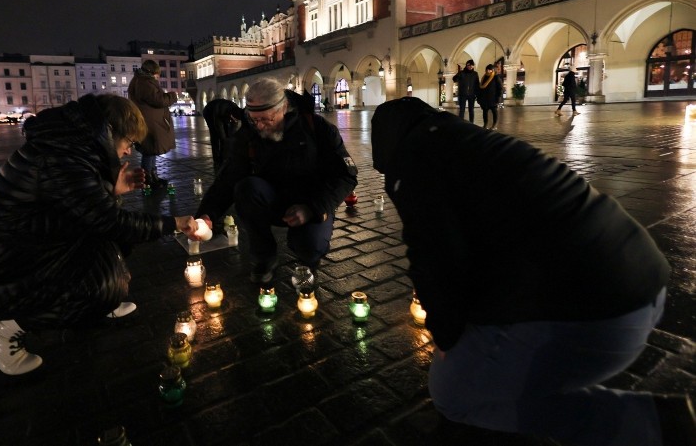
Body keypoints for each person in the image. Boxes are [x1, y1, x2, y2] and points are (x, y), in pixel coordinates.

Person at [371, 97, 693, 446]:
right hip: (645, 282)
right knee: (495, 373)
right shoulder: (467, 141)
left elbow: (435, 256)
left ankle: (651, 425)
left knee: (453, 392)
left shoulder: (416, 159)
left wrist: (446, 334)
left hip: (596, 313)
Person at [0, 93, 200, 376]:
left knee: (108, 258)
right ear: (108, 132)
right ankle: (3, 331)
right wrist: (175, 223)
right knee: (103, 288)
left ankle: (102, 302)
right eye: (128, 142)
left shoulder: (69, 151)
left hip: (20, 253)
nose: (129, 151)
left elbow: (84, 215)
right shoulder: (62, 160)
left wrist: (110, 191)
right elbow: (109, 222)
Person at [195, 78, 357, 284]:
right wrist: (207, 214)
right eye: (254, 119)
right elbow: (228, 178)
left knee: (310, 247)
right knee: (246, 188)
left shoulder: (316, 128)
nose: (259, 125)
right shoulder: (249, 134)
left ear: (284, 107)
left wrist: (313, 208)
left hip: (311, 202)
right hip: (271, 200)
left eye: (266, 119)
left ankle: (309, 257)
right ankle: (265, 257)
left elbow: (346, 175)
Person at [128, 59, 177, 188]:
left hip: (149, 120)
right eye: (157, 73)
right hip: (150, 123)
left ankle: (153, 177)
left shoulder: (140, 80)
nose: (158, 76)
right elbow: (158, 100)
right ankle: (148, 180)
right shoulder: (144, 82)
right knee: (149, 151)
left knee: (151, 150)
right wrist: (172, 96)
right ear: (151, 71)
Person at [202, 98, 245, 169]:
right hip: (210, 113)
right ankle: (217, 160)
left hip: (224, 113)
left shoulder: (236, 110)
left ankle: (224, 157)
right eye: (233, 119)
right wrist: (225, 140)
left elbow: (233, 133)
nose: (235, 121)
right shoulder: (220, 111)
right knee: (216, 136)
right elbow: (220, 130)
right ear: (231, 116)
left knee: (227, 137)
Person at [476, 64, 503, 130]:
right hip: (484, 99)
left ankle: (494, 125)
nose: (488, 71)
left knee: (494, 112)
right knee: (485, 112)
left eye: (490, 70)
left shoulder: (496, 77)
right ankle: (485, 124)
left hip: (493, 99)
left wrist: (499, 97)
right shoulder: (483, 77)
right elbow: (480, 88)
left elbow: (500, 88)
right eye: (487, 69)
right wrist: (479, 98)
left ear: (492, 70)